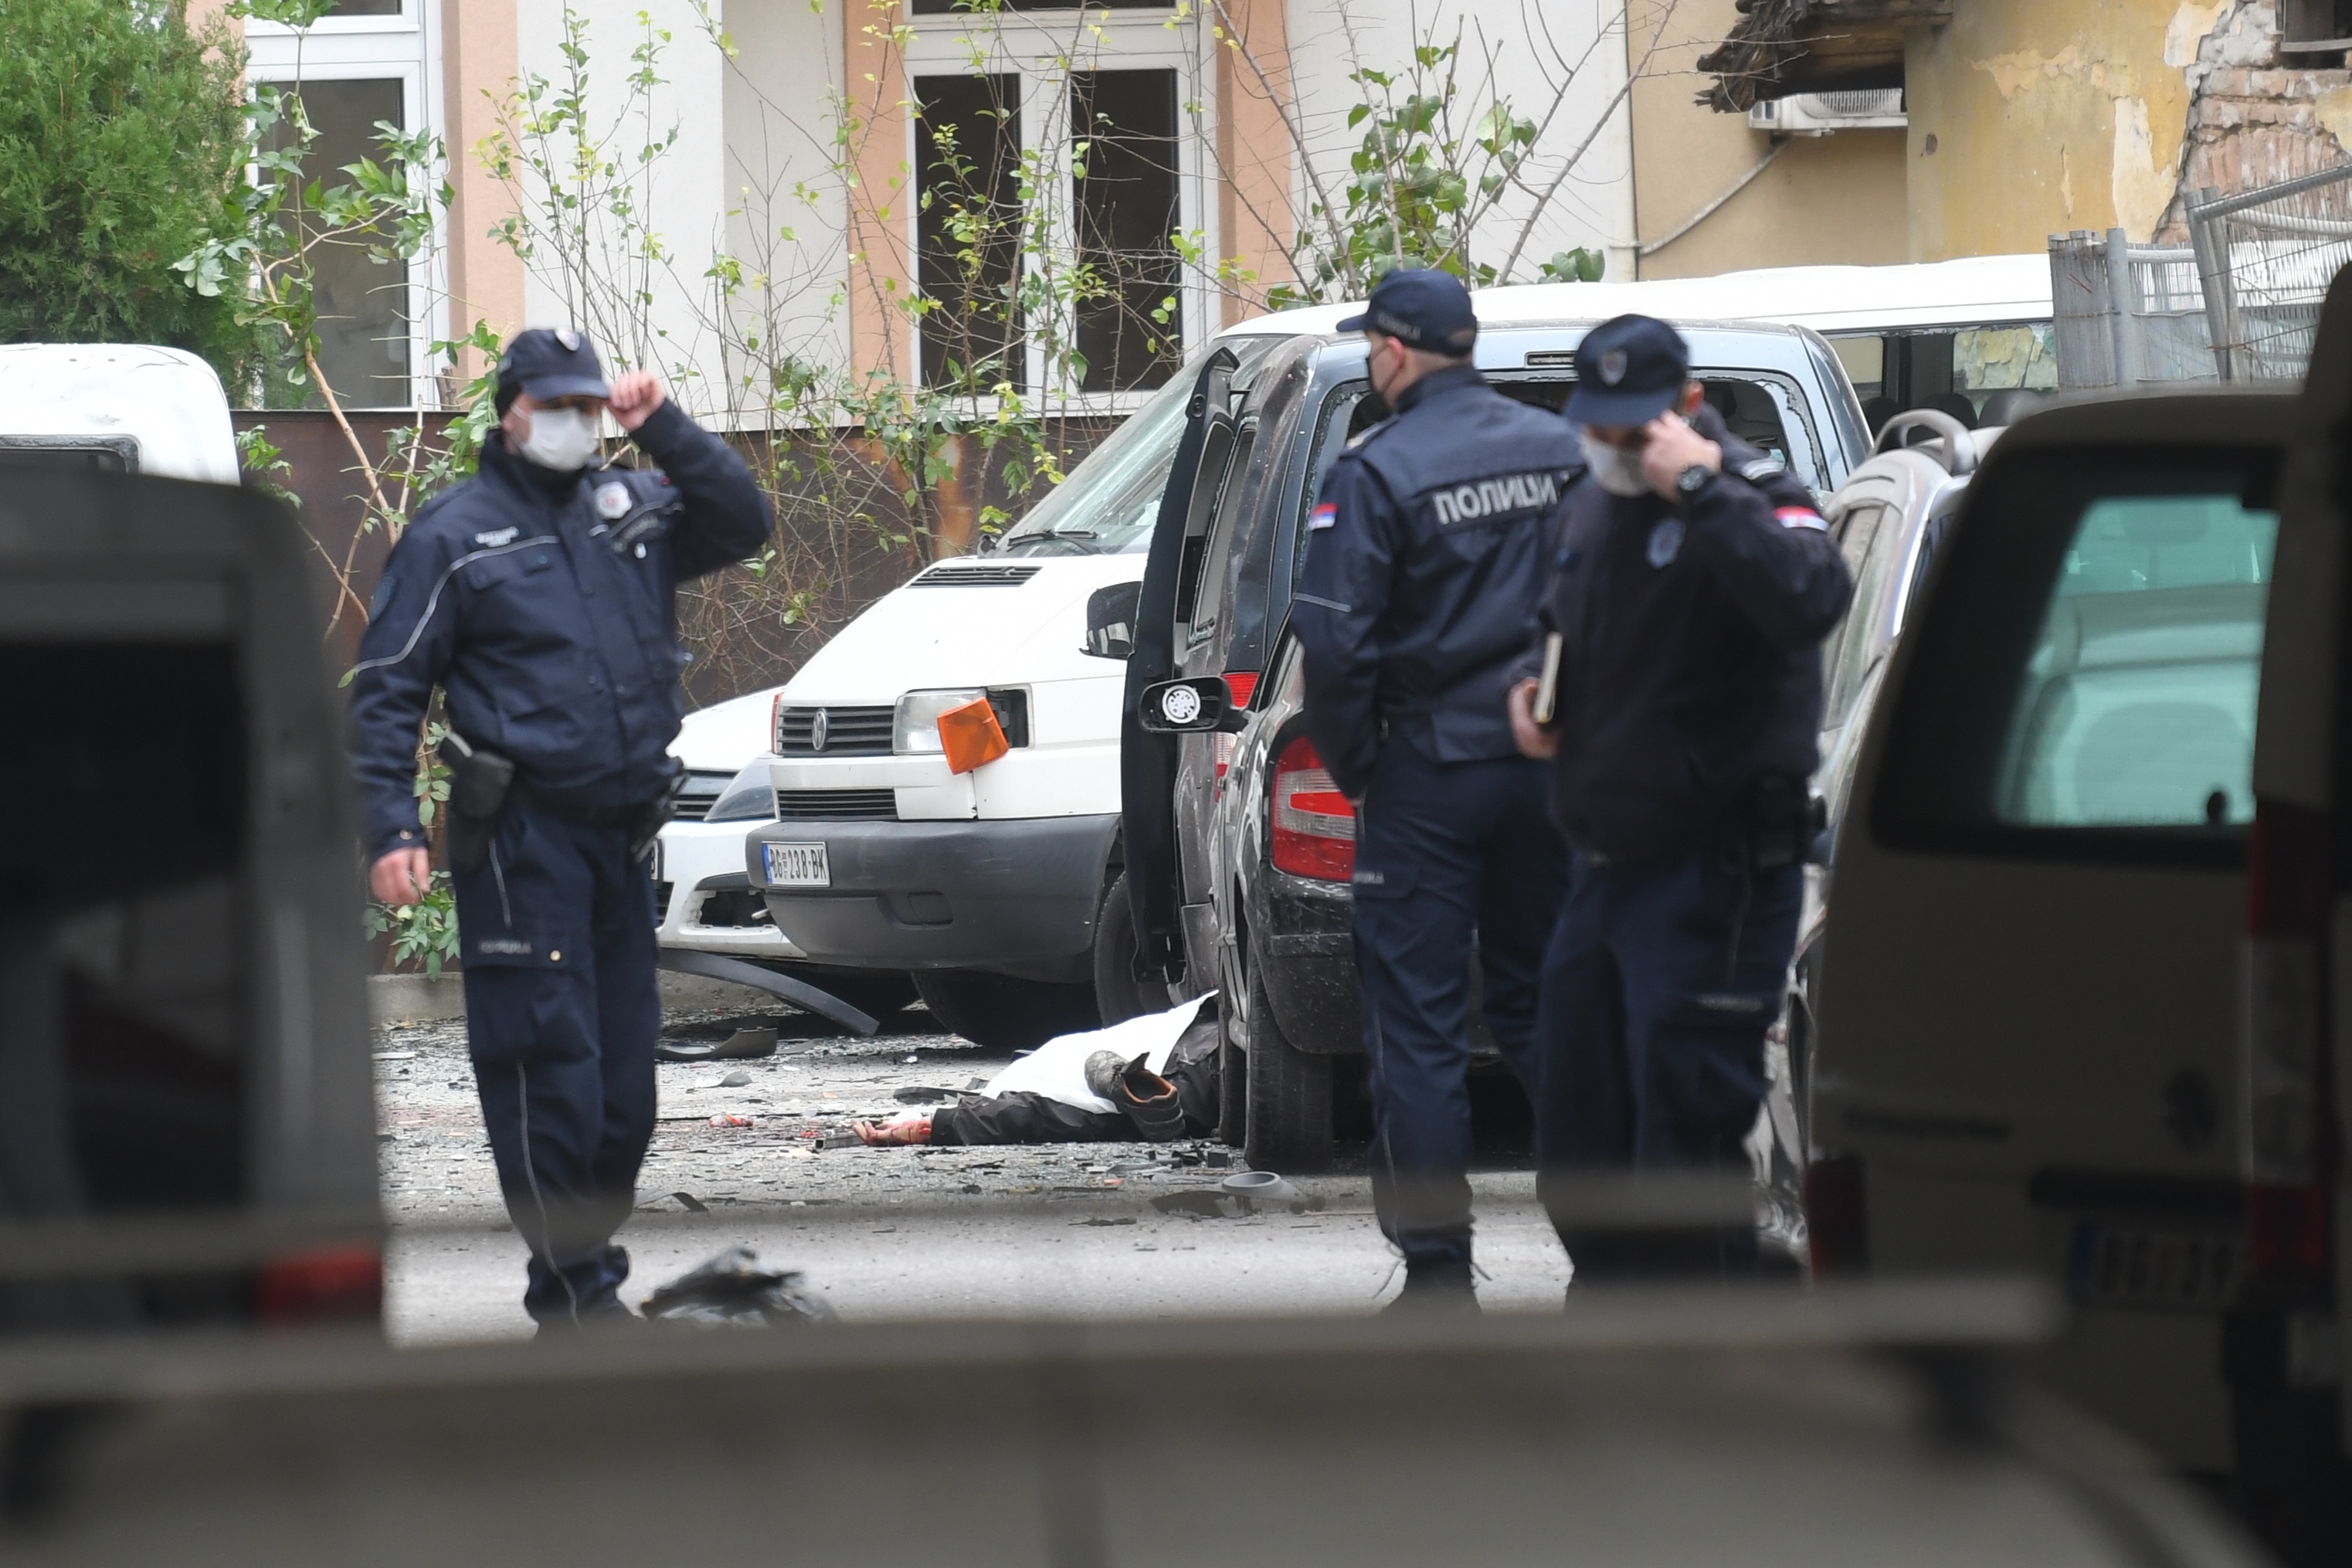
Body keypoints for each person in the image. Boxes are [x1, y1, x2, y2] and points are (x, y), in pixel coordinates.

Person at [349, 328, 772, 1330]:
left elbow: (741, 519)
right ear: (512, 413)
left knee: (624, 1090)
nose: (577, 423)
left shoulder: (625, 510)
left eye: (590, 405)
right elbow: (385, 690)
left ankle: (570, 1288)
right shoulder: (455, 534)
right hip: (521, 846)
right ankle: (582, 1299)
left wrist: (659, 423)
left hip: (619, 842)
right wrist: (388, 827)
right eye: (559, 407)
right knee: (550, 1075)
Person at [1507, 314, 1851, 1280]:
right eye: (1599, 426)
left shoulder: (1749, 497)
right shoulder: (1589, 509)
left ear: (1688, 409)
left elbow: (1811, 597)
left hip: (1714, 877)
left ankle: (1682, 1345)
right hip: (1604, 870)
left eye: (1635, 427)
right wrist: (1534, 693)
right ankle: (1671, 1312)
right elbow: (1554, 629)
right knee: (1578, 1140)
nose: (1614, 446)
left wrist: (1699, 486)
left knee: (1682, 1138)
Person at [1290, 270, 1587, 1311]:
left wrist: (1364, 764)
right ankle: (1608, 1251)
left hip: (1427, 774)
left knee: (1416, 1024)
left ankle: (1438, 1273)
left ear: (1397, 349)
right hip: (1549, 774)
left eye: (1373, 342)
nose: (1371, 358)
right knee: (1551, 1007)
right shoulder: (1560, 451)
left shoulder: (1375, 470)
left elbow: (1333, 641)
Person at [854, 1006, 1223, 1146]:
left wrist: (944, 1124)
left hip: (1199, 1058)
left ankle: (1147, 1100)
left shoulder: (1199, 1073)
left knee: (1109, 1113)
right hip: (1199, 1055)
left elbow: (1066, 1114)